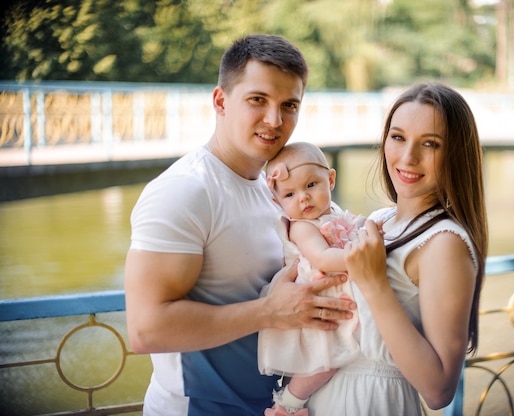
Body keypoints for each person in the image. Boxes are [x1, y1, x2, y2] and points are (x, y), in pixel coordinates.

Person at [123, 34, 356, 416]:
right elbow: (147, 329)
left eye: (289, 105)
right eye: (257, 100)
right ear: (220, 101)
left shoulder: (282, 190)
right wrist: (269, 311)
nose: (274, 120)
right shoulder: (185, 190)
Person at [305, 82, 489, 415]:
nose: (408, 157)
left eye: (430, 144)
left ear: (455, 153)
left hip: (374, 402)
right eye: (398, 137)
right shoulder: (381, 220)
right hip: (326, 395)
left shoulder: (444, 243)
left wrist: (375, 285)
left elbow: (438, 390)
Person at [258, 142, 365, 415]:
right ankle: (288, 404)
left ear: (330, 179)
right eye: (290, 193)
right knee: (325, 361)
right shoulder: (302, 227)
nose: (303, 198)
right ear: (277, 201)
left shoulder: (332, 214)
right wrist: (366, 255)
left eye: (311, 186)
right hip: (312, 300)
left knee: (344, 354)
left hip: (331, 295)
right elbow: (324, 258)